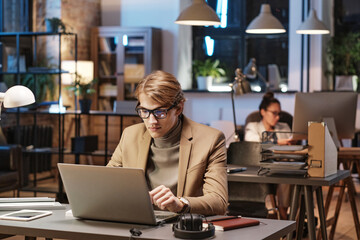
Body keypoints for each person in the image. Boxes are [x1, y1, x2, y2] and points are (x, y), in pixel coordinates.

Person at [107, 70, 228, 216]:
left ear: (179, 108)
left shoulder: (211, 139)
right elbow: (108, 183)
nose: (151, 121)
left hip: (182, 228)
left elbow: (218, 201)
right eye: (144, 111)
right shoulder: (130, 135)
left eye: (160, 112)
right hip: (138, 223)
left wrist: (180, 203)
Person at [244, 92, 293, 220]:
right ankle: (285, 217)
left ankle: (285, 214)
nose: (277, 117)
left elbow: (290, 144)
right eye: (274, 113)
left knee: (288, 170)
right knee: (286, 171)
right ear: (263, 111)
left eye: (279, 113)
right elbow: (251, 142)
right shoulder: (253, 126)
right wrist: (277, 143)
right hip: (260, 167)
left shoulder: (284, 127)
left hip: (282, 167)